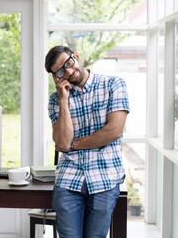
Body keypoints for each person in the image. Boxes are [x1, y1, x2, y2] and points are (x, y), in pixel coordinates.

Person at [46, 45, 129, 238]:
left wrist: (74, 145)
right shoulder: (55, 100)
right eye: (60, 71)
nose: (68, 71)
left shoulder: (114, 84)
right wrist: (64, 100)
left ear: (76, 56)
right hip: (69, 180)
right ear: (55, 76)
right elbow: (62, 141)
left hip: (105, 177)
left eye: (68, 63)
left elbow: (114, 131)